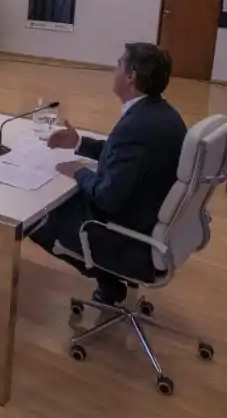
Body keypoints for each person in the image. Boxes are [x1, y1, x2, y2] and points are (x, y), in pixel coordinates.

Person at [28, 43, 188, 306]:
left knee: (37, 215)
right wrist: (80, 144)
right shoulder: (161, 113)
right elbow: (125, 156)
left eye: (118, 65)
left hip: (129, 233)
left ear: (130, 76)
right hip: (153, 216)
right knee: (66, 197)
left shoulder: (135, 126)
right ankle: (109, 283)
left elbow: (108, 197)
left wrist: (79, 171)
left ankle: (107, 277)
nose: (113, 71)